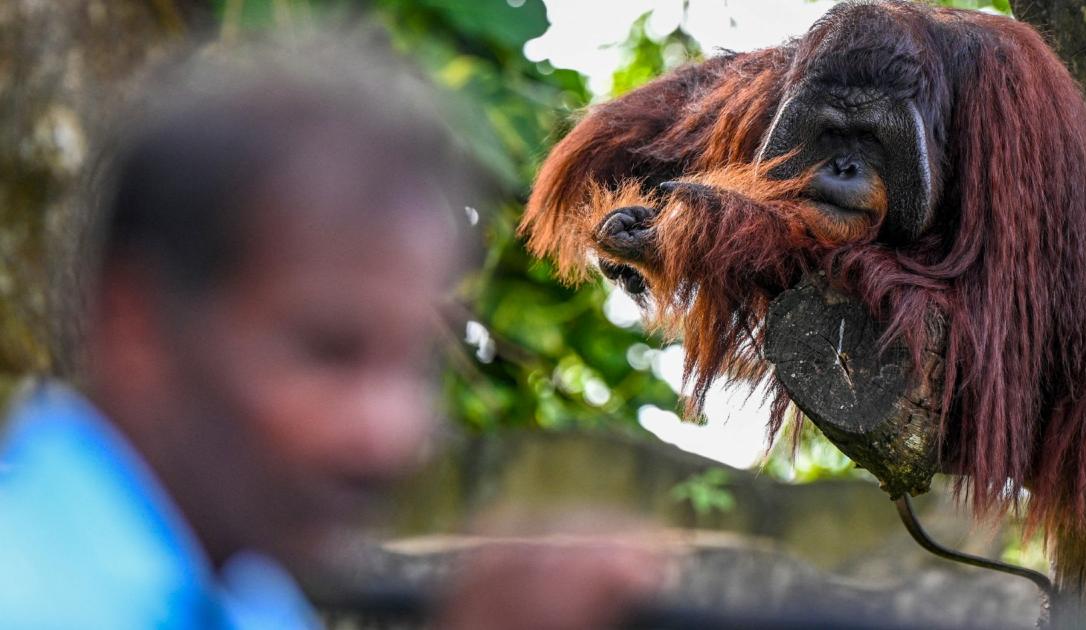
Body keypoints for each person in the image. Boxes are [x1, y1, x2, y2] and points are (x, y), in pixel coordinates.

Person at [0, 41, 657, 629]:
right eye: (328, 352)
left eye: (415, 365)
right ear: (134, 327)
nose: (392, 434)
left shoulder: (249, 597)